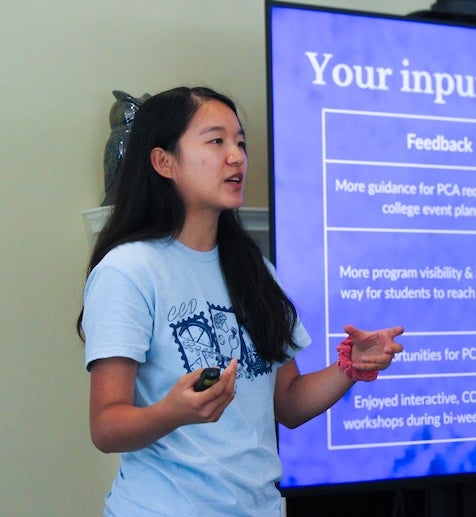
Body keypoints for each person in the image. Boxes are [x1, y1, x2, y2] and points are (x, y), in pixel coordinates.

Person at [76, 86, 404, 516]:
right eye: (216, 141)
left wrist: (349, 367)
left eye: (240, 143)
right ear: (164, 162)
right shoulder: (128, 271)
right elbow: (106, 426)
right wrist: (173, 412)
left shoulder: (255, 269)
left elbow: (287, 402)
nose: (237, 157)